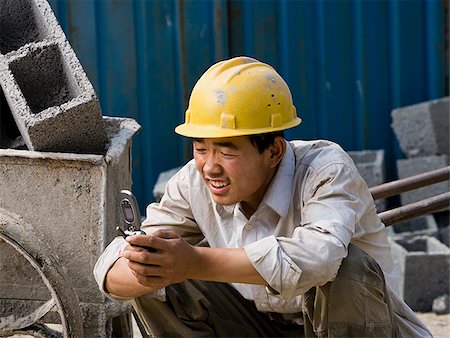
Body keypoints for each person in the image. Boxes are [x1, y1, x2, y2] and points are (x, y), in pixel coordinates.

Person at [94, 56, 431, 337]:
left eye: (226, 152)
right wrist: (145, 265)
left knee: (345, 267)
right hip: (258, 325)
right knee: (157, 274)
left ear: (274, 151)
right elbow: (109, 268)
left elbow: (320, 258)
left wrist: (194, 262)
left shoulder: (325, 169)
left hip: (356, 329)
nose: (210, 167)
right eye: (200, 149)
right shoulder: (193, 182)